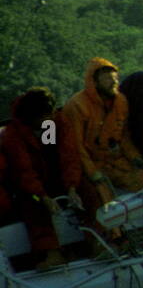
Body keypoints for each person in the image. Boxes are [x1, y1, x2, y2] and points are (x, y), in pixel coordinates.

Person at [62, 57, 143, 224]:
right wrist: (93, 173)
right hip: (93, 168)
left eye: (116, 78)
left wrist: (136, 158)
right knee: (105, 203)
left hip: (119, 163)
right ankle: (118, 240)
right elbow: (76, 146)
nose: (114, 82)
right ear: (94, 81)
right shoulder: (77, 106)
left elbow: (123, 137)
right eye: (108, 78)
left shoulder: (121, 101)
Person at [0, 87, 82, 270]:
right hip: (30, 189)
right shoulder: (13, 135)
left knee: (86, 188)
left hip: (50, 180)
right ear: (32, 117)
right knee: (32, 202)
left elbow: (60, 157)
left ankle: (97, 242)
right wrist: (43, 196)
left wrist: (72, 187)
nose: (50, 120)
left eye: (51, 115)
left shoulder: (48, 125)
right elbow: (24, 172)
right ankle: (52, 253)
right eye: (46, 117)